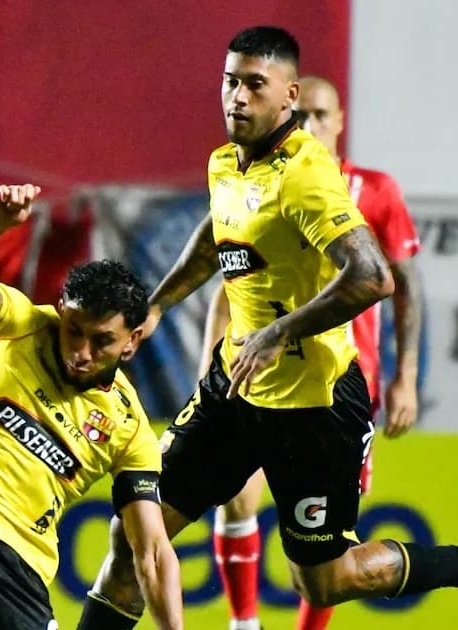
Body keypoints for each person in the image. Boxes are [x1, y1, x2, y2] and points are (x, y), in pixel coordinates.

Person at [76, 26, 458, 630]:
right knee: (133, 535)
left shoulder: (307, 174)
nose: (238, 98)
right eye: (231, 82)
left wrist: (281, 333)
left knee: (325, 580)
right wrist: (159, 303)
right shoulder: (227, 163)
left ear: (289, 96)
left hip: (315, 406)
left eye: (256, 85)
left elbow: (374, 277)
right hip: (234, 391)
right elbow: (215, 237)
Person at [0, 184, 183, 630]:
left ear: (132, 340)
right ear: (62, 309)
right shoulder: (19, 324)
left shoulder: (128, 427)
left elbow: (152, 551)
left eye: (101, 342)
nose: (80, 352)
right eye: (73, 329)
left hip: (21, 570)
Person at [205, 75, 423, 630]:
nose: (311, 126)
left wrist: (407, 378)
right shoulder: (265, 185)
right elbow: (227, 291)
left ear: (341, 120)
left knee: (324, 552)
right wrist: (211, 370)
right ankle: (243, 622)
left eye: (323, 115)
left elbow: (403, 281)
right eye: (304, 116)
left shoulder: (374, 191)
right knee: (236, 497)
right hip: (259, 382)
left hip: (341, 385)